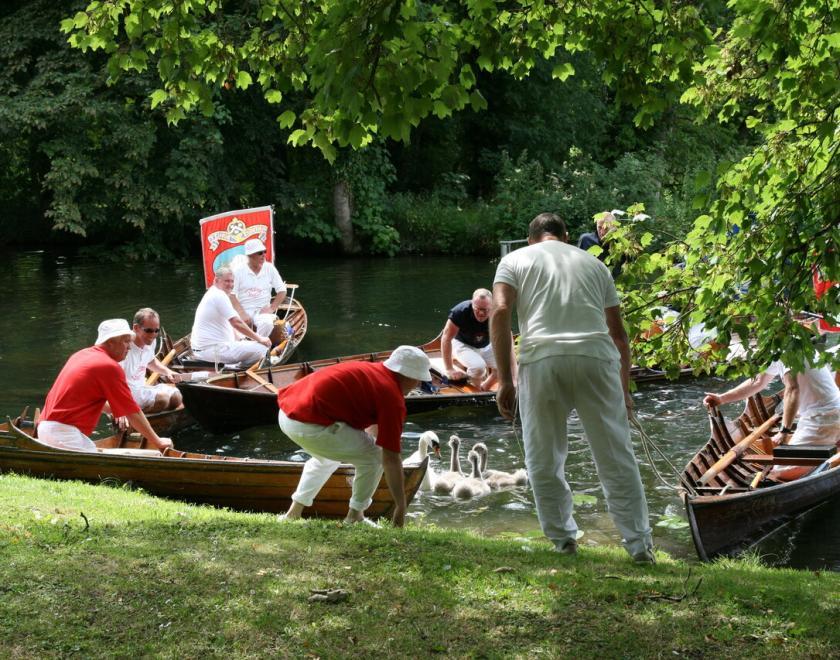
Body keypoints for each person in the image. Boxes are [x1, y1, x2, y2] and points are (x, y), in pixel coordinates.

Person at [491, 212, 654, 563]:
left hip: (542, 359)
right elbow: (619, 336)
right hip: (596, 358)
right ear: (565, 236)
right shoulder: (595, 264)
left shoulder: (513, 260)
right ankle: (639, 546)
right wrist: (624, 391)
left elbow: (501, 311)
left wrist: (506, 379)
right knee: (616, 456)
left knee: (544, 458)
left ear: (530, 238)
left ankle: (564, 540)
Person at [277, 345, 433, 527]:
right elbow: (390, 457)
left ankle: (293, 513)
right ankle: (355, 516)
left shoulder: (374, 371)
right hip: (309, 423)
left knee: (328, 457)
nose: (418, 385)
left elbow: (373, 432)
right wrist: (400, 505)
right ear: (408, 375)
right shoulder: (391, 396)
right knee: (374, 457)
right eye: (418, 380)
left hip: (287, 415)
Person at [37, 319, 173, 453]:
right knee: (103, 468)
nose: (129, 347)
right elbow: (133, 412)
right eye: (125, 341)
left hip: (46, 428)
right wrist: (158, 441)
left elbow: (89, 398)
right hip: (62, 433)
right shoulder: (109, 366)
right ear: (110, 342)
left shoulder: (81, 355)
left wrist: (116, 410)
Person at [703, 358, 840, 480]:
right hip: (827, 414)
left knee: (780, 473)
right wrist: (722, 398)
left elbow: (793, 390)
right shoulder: (780, 346)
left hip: (823, 418)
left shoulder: (788, 349)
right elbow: (757, 382)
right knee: (785, 468)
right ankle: (831, 453)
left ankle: (830, 459)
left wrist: (784, 431)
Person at [190, 266, 271, 368]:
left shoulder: (213, 292)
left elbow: (230, 324)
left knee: (246, 342)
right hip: (211, 351)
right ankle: (237, 369)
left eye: (232, 281)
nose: (230, 285)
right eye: (227, 281)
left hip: (204, 350)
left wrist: (241, 340)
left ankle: (234, 365)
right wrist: (259, 338)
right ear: (216, 280)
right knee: (262, 349)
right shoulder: (219, 295)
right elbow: (236, 322)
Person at [121, 308, 185, 414]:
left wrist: (168, 372)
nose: (153, 335)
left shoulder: (151, 341)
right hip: (127, 395)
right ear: (136, 328)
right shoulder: (124, 347)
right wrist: (119, 409)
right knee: (163, 399)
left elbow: (150, 361)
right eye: (149, 330)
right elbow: (112, 379)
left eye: (156, 330)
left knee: (176, 397)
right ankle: (136, 417)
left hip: (141, 388)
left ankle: (146, 416)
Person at [441, 289, 498, 391]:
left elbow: (507, 338)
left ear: (492, 306)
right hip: (462, 344)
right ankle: (475, 390)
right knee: (479, 367)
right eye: (477, 309)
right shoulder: (461, 311)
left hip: (486, 344)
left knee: (505, 367)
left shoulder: (498, 313)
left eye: (485, 310)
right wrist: (449, 369)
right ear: (472, 304)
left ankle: (484, 388)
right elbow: (446, 338)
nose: (481, 313)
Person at [232, 238, 287, 338]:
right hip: (244, 309)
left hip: (262, 310)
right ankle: (250, 344)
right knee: (236, 332)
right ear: (250, 255)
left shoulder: (270, 268)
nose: (264, 255)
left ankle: (258, 346)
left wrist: (272, 308)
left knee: (267, 324)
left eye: (264, 252)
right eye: (260, 253)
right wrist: (241, 313)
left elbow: (282, 290)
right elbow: (231, 295)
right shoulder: (238, 271)